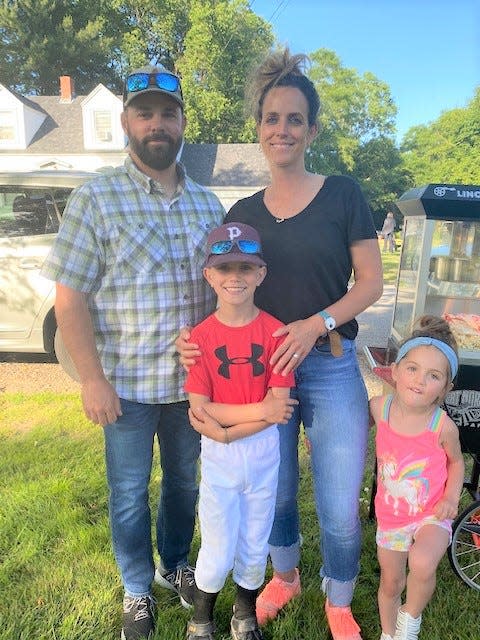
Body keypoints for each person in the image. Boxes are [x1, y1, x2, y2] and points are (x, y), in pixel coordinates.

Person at [177, 49, 383, 640]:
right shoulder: (243, 213)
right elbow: (224, 289)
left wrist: (316, 323)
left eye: (295, 119)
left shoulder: (343, 194)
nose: (282, 129)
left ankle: (338, 599)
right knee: (277, 493)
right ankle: (285, 577)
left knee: (340, 503)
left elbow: (370, 282)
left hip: (330, 365)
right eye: (272, 118)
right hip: (259, 374)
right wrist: (195, 345)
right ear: (259, 128)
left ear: (312, 128)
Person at [41, 65, 225, 640]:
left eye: (167, 113)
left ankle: (174, 566)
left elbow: (224, 295)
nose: (156, 123)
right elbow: (69, 299)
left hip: (190, 388)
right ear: (126, 122)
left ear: (182, 124)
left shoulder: (209, 207)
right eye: (144, 113)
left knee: (183, 486)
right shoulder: (95, 198)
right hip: (123, 385)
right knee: (126, 493)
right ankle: (137, 590)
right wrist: (90, 380)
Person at [184, 222, 297, 640]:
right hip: (219, 454)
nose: (235, 278)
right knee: (217, 540)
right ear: (209, 275)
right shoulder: (200, 337)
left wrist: (233, 424)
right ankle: (200, 619)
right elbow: (200, 409)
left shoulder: (276, 332)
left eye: (245, 269)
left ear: (261, 274)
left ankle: (244, 614)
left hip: (263, 451)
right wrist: (254, 413)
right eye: (225, 268)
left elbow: (280, 409)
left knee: (254, 535)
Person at [370, 315, 464, 640]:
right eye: (412, 369)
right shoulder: (379, 408)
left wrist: (452, 498)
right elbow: (353, 423)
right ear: (394, 371)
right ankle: (388, 632)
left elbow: (456, 463)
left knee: (422, 562)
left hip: (431, 513)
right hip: (391, 517)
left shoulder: (442, 426)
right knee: (391, 583)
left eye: (433, 375)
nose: (420, 380)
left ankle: (410, 619)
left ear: (447, 388)